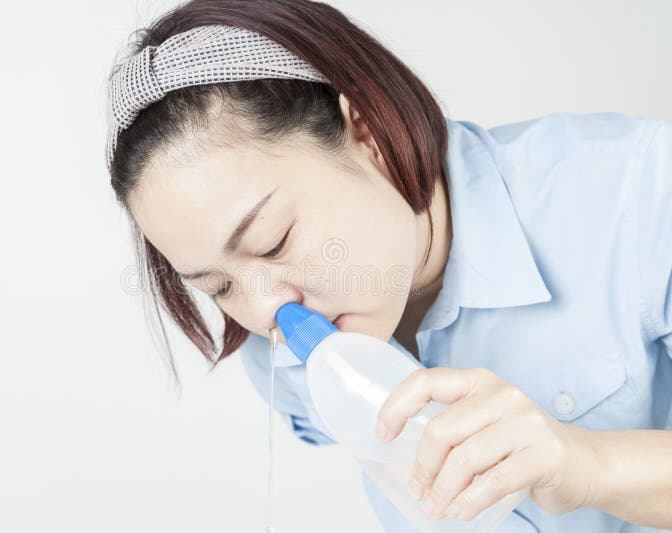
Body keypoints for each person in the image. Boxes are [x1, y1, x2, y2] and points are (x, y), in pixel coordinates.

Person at [104, 1, 672, 531]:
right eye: (219, 286)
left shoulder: (635, 193)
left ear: (368, 131)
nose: (266, 313)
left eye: (273, 242)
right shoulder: (284, 361)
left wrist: (589, 466)